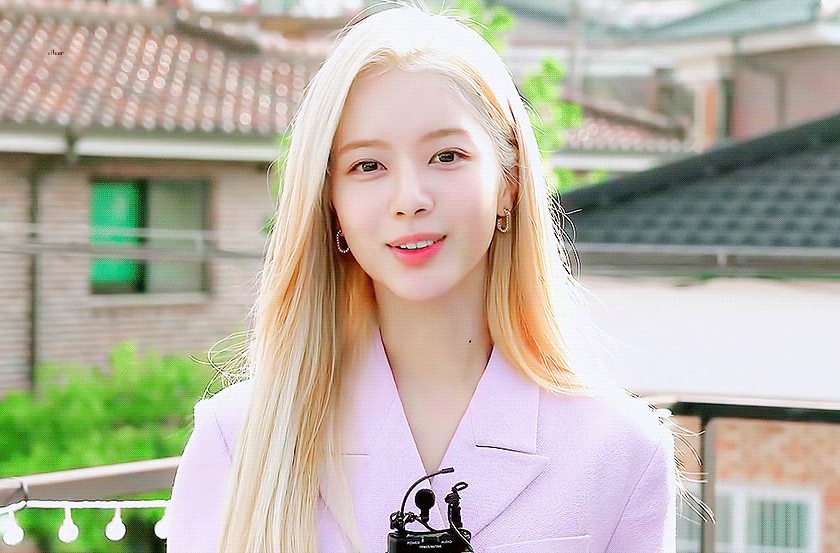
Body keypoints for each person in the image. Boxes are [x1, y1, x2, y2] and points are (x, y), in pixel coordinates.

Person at [165, 2, 708, 553]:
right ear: (331, 205)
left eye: (446, 156)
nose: (410, 200)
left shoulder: (619, 450)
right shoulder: (238, 439)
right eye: (367, 165)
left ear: (509, 181)